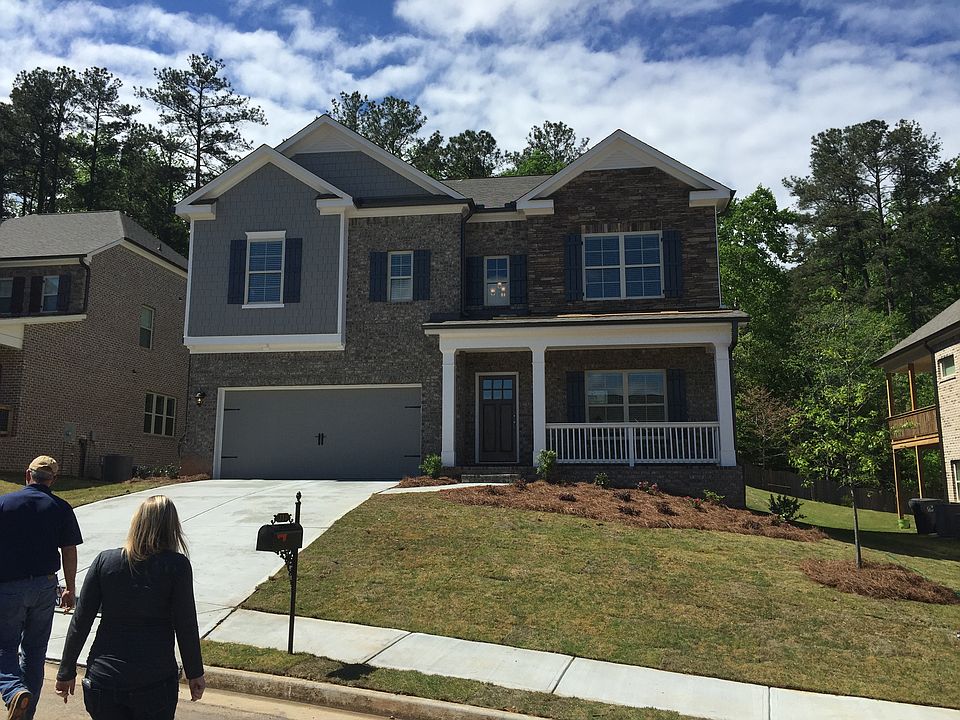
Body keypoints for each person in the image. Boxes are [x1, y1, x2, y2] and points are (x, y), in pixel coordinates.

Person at [55, 495, 205, 719]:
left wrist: (66, 671)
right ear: (172, 527)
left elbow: (81, 621)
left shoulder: (105, 561)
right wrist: (194, 673)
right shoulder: (177, 566)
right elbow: (186, 624)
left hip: (104, 679)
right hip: (155, 683)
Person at [0, 455, 82, 720]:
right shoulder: (61, 507)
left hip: (9, 585)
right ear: (53, 480)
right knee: (35, 652)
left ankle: (13, 691)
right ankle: (25, 713)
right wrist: (70, 588)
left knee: (4, 646)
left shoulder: (5, 503)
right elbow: (69, 551)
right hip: (46, 586)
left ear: (28, 475)